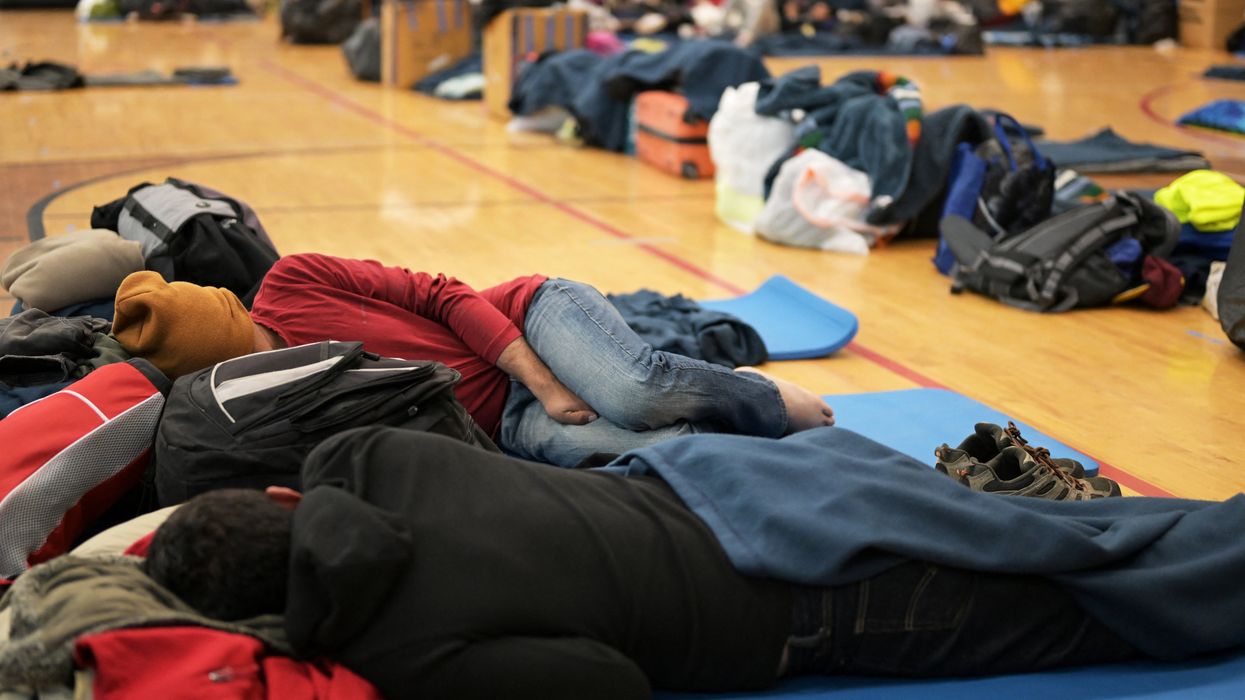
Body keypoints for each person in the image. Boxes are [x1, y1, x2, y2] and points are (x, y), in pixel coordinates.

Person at [144, 425, 1245, 699]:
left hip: (794, 598)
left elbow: (609, 683)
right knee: (1104, 537)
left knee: (1110, 603)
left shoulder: (409, 647)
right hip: (753, 477)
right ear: (279, 500)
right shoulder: (362, 453)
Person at [109, 253, 834, 467]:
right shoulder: (258, 410)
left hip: (530, 326)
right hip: (503, 429)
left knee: (634, 391)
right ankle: (721, 412)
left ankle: (758, 396)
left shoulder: (294, 281)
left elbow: (443, 293)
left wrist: (542, 383)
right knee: (646, 451)